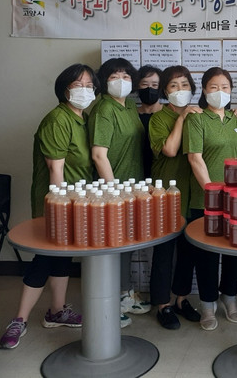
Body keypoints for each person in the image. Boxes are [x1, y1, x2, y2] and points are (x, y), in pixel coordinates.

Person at [0, 63, 98, 349]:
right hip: (56, 205)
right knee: (44, 258)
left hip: (76, 203)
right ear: (64, 89)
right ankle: (19, 319)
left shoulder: (83, 119)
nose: (84, 90)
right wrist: (59, 208)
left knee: (63, 258)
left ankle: (57, 311)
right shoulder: (57, 120)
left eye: (89, 85)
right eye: (78, 85)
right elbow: (56, 170)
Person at [88, 57, 148, 327]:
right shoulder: (103, 108)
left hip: (132, 187)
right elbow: (99, 155)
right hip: (112, 190)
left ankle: (124, 294)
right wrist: (113, 191)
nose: (120, 81)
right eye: (114, 77)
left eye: (125, 76)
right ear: (103, 81)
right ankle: (108, 305)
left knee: (126, 246)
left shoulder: (130, 106)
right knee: (111, 247)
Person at [184, 67, 237, 330]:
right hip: (205, 199)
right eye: (214, 87)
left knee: (234, 252)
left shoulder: (236, 119)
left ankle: (229, 297)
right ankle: (208, 304)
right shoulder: (196, 119)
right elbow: (194, 158)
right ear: (204, 90)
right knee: (206, 255)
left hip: (236, 199)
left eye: (225, 87)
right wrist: (212, 193)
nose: (220, 92)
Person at [147, 65, 203, 329]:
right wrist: (181, 119)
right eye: (173, 85)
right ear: (164, 91)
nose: (180, 90)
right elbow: (169, 150)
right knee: (164, 252)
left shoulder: (199, 115)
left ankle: (181, 299)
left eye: (184, 84)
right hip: (167, 195)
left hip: (192, 194)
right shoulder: (159, 118)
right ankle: (162, 304)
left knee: (188, 250)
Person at [136, 65, 164, 175]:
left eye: (154, 85)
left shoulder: (166, 114)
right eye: (144, 84)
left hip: (161, 171)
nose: (149, 88)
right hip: (136, 170)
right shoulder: (132, 114)